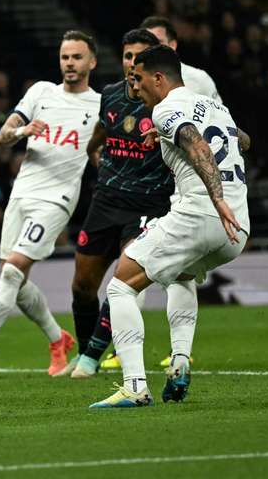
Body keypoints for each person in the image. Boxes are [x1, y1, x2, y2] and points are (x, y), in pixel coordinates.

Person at [90, 45, 249, 408]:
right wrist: (165, 136)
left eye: (139, 80)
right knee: (181, 276)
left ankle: (135, 386)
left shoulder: (166, 108)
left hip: (203, 214)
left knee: (120, 287)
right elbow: (242, 141)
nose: (135, 89)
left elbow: (199, 148)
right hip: (237, 229)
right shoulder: (215, 106)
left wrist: (217, 198)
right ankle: (179, 361)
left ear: (159, 78)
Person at [0, 31, 101, 377]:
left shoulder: (100, 105)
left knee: (13, 271)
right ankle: (58, 338)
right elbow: (2, 136)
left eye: (76, 57)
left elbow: (100, 154)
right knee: (13, 277)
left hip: (56, 199)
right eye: (65, 57)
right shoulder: (40, 91)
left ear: (92, 62)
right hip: (22, 193)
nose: (69, 63)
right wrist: (23, 131)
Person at [62, 28, 170, 378]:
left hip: (147, 204)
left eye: (138, 58)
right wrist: (93, 149)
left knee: (122, 280)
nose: (130, 64)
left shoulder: (166, 102)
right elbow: (104, 129)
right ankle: (83, 352)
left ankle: (93, 356)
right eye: (127, 56)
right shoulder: (110, 94)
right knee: (82, 286)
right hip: (106, 199)